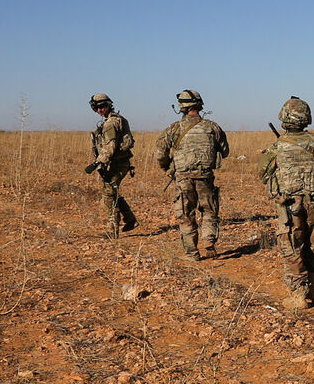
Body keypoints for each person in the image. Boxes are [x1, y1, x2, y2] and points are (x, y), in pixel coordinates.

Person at [259, 96, 314, 308]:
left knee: (292, 247)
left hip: (288, 205)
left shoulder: (277, 147)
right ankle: (311, 288)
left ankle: (297, 295)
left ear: (284, 118)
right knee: (312, 244)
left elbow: (264, 173)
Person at [154, 89, 229, 261]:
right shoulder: (212, 127)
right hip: (205, 176)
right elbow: (225, 151)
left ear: (182, 107)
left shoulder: (174, 128)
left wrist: (166, 167)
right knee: (209, 210)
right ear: (199, 105)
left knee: (186, 215)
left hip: (183, 178)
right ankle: (209, 242)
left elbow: (160, 153)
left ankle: (192, 253)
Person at [87, 93, 137, 238]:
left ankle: (112, 232)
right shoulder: (117, 119)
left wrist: (98, 162)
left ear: (109, 105)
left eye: (102, 106)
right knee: (112, 191)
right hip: (119, 163)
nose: (100, 110)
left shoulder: (110, 123)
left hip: (116, 164)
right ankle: (130, 219)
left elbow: (110, 146)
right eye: (96, 108)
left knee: (108, 196)